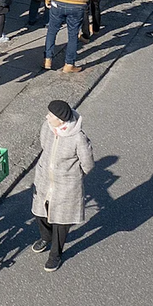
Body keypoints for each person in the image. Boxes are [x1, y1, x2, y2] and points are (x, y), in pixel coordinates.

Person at [31, 100, 94, 272]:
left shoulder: (78, 138)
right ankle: (46, 237)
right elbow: (44, 145)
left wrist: (72, 176)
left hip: (66, 185)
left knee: (61, 222)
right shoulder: (47, 127)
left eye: (50, 115)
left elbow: (88, 164)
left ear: (60, 120)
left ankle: (55, 255)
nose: (47, 117)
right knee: (40, 212)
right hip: (45, 179)